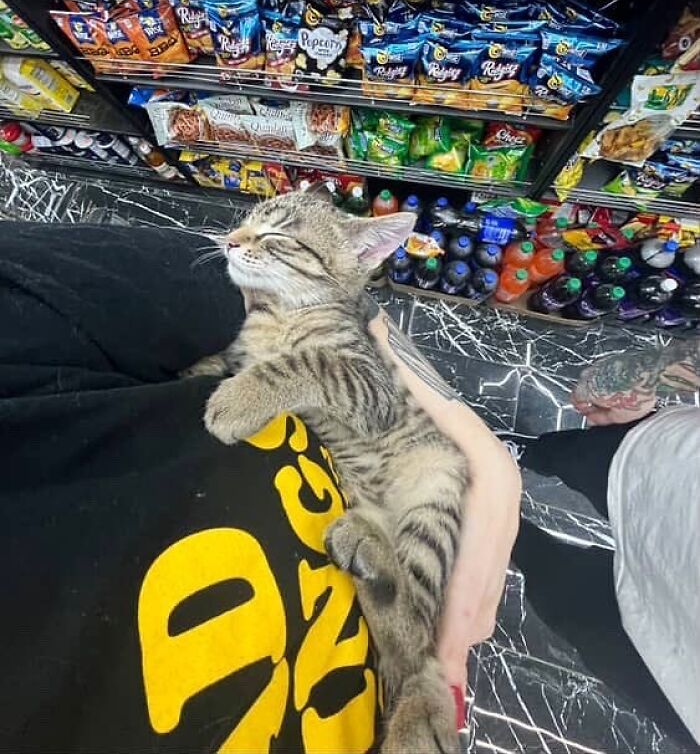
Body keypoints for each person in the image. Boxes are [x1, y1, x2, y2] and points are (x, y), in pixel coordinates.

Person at [0, 221, 520, 753]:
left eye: (271, 233)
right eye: (246, 227)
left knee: (434, 483)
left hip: (395, 460)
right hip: (358, 523)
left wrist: (487, 458)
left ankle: (415, 675)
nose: (236, 239)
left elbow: (372, 382)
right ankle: (414, 669)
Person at [514, 337, 700, 748]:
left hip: (672, 674)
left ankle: (504, 525)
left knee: (560, 594)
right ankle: (519, 459)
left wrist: (640, 373)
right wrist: (645, 373)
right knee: (572, 456)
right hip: (667, 472)